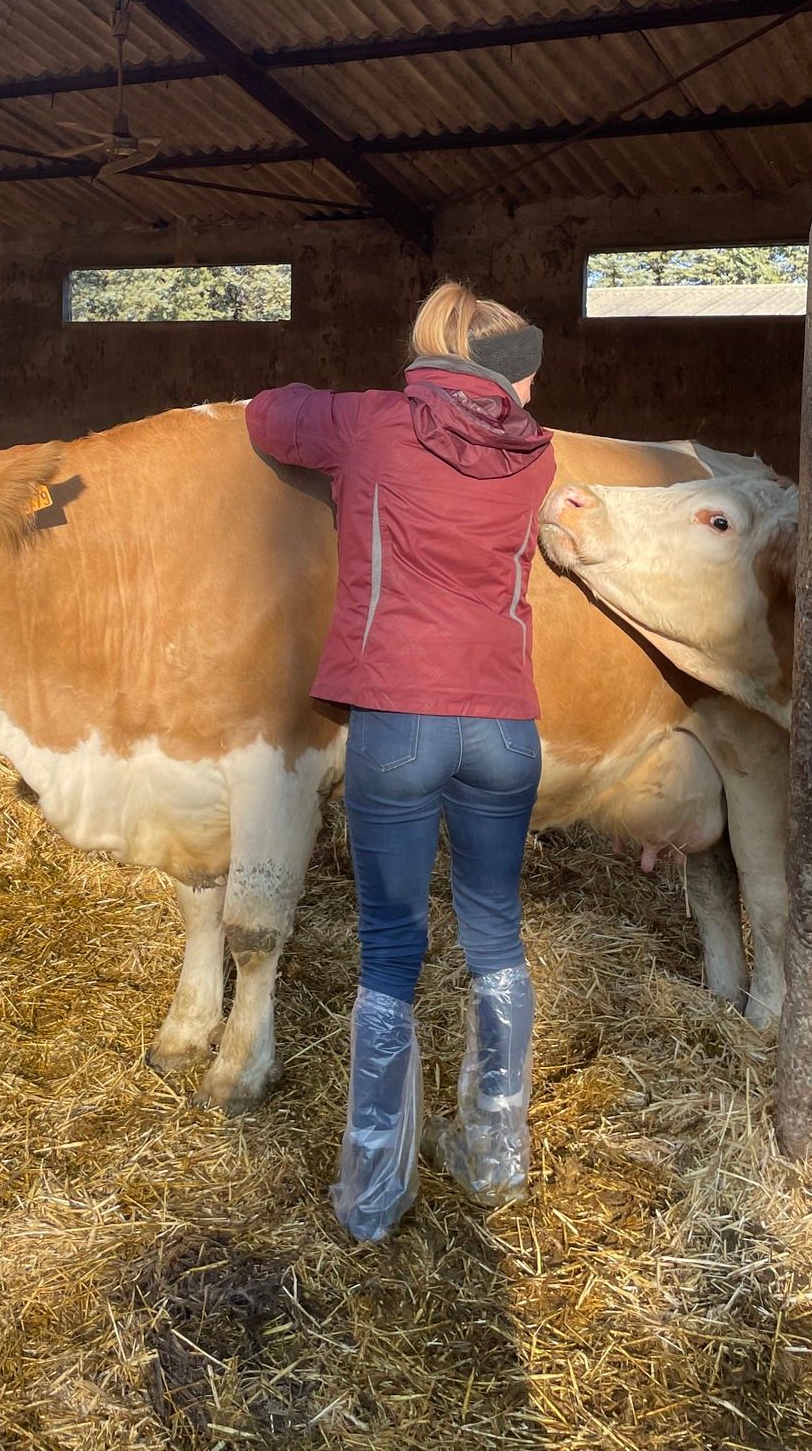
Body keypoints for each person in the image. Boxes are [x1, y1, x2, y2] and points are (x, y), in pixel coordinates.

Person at [245, 280, 556, 1242]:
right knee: (495, 938)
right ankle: (495, 1155)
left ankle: (376, 1193)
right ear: (506, 370)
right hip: (506, 725)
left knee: (389, 952)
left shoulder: (372, 426)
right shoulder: (538, 458)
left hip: (399, 720)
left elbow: (268, 417)